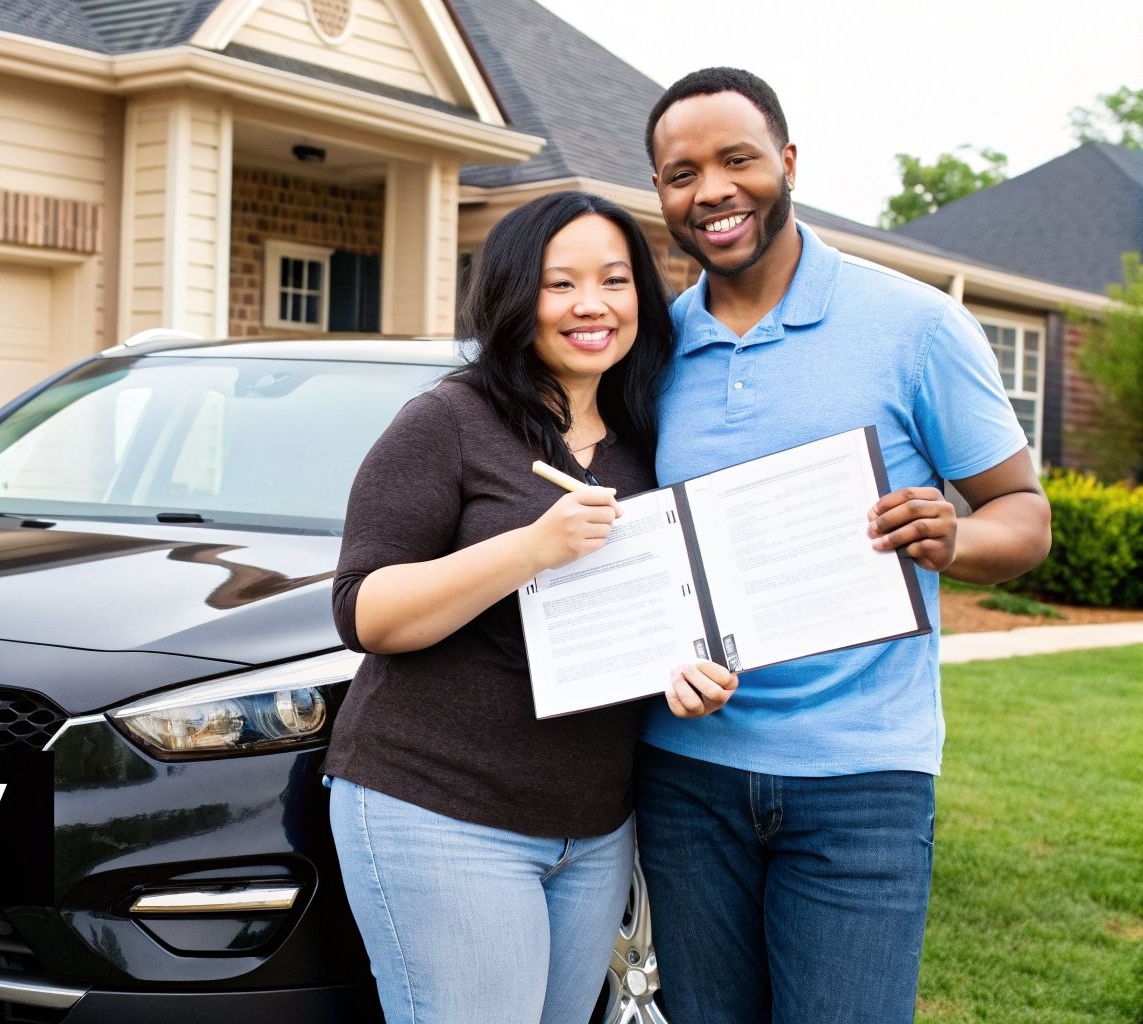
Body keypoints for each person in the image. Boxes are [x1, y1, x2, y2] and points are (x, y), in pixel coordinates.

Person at [636, 67, 1052, 1023]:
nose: (712, 191)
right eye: (682, 173)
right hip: (686, 773)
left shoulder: (916, 326)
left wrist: (954, 537)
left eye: (738, 160)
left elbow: (1023, 513)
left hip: (862, 777)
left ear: (787, 162)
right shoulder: (647, 351)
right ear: (659, 192)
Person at [324, 189, 738, 1024]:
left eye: (615, 281)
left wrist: (687, 677)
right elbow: (365, 611)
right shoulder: (449, 421)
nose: (593, 305)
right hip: (440, 807)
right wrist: (530, 548)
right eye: (561, 284)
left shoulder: (647, 441)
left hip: (593, 828)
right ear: (516, 296)